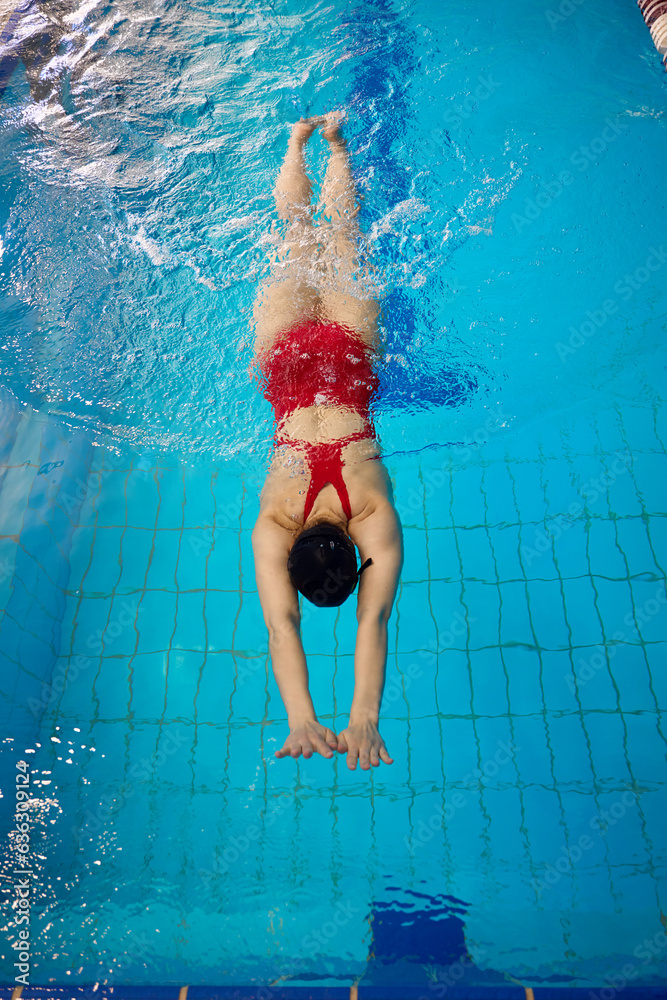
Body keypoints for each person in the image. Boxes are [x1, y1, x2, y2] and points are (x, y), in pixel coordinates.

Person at [251, 113, 403, 771]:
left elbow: (373, 622)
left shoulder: (371, 518)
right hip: (284, 364)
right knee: (297, 237)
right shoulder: (272, 526)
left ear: (354, 552)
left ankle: (333, 141)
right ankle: (293, 140)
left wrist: (361, 719)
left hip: (348, 361)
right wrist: (302, 718)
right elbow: (281, 626)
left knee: (339, 237)